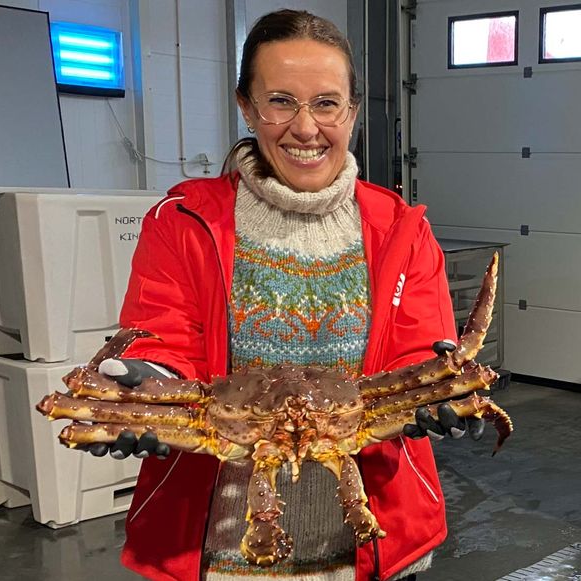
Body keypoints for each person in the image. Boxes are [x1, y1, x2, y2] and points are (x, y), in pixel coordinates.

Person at [88, 9, 484, 581]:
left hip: (376, 537)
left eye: (326, 103)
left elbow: (421, 353)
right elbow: (162, 337)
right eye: (280, 101)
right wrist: (146, 376)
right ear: (246, 105)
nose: (305, 128)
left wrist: (436, 388)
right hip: (220, 545)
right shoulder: (183, 221)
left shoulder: (399, 226)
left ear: (351, 111)